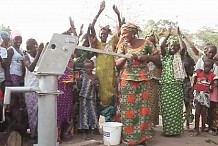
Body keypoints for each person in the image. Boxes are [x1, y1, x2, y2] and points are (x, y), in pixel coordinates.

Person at [115, 22, 160, 145]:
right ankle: (129, 138)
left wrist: (147, 57)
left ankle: (142, 138)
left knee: (143, 110)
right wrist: (125, 57)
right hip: (127, 81)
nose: (123, 35)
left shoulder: (147, 43)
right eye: (122, 33)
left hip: (144, 80)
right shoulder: (122, 45)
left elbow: (158, 59)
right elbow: (117, 64)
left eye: (125, 33)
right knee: (128, 110)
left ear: (133, 32)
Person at [89, 1, 121, 122]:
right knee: (98, 99)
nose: (103, 35)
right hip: (100, 77)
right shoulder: (97, 44)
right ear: (99, 34)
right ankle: (96, 126)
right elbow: (91, 27)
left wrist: (117, 14)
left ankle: (109, 124)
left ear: (108, 34)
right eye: (101, 33)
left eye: (105, 33)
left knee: (111, 100)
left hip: (110, 76)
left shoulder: (111, 42)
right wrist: (99, 11)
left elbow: (121, 29)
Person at [160, 27, 186, 136]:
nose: (172, 48)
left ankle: (176, 131)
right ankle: (168, 131)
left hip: (176, 86)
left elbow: (183, 47)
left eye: (175, 46)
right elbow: (161, 45)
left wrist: (179, 35)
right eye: (171, 46)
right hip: (166, 86)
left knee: (176, 109)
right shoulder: (165, 56)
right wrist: (168, 34)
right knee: (166, 109)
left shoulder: (179, 56)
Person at [23, 39, 44, 141]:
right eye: (27, 48)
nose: (28, 50)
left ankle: (41, 135)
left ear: (35, 46)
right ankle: (33, 136)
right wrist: (38, 53)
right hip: (30, 89)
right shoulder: (26, 57)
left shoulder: (42, 56)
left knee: (42, 113)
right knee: (32, 114)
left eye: (30, 48)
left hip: (41, 88)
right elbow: (31, 68)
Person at [192, 59, 216, 136]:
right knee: (197, 112)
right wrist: (192, 92)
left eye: (208, 67)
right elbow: (194, 83)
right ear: (203, 66)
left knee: (204, 112)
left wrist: (211, 88)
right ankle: (196, 129)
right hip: (198, 94)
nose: (206, 68)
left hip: (206, 95)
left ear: (211, 68)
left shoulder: (213, 76)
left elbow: (213, 85)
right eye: (205, 67)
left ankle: (202, 128)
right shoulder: (198, 73)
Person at [77, 60, 99, 140]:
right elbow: (79, 87)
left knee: (92, 113)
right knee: (83, 114)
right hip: (83, 97)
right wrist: (78, 81)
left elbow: (97, 89)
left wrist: (95, 85)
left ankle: (90, 131)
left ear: (93, 67)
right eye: (86, 68)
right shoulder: (82, 76)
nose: (88, 69)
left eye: (89, 67)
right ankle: (83, 132)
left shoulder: (95, 77)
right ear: (84, 68)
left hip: (92, 98)